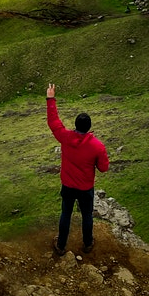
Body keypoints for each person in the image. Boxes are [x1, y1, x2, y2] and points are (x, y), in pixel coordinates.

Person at [46, 83, 109, 256]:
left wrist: (51, 99)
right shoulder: (97, 146)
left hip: (68, 185)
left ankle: (60, 246)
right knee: (87, 215)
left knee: (65, 214)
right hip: (85, 188)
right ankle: (88, 244)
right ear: (89, 127)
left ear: (75, 125)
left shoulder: (66, 138)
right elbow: (104, 168)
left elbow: (53, 122)